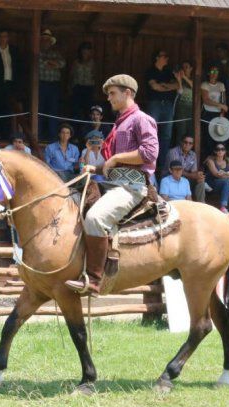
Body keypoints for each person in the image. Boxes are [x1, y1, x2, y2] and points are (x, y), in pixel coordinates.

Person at [65, 74, 158, 294]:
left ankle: (95, 280)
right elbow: (114, 164)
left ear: (128, 93)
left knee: (96, 218)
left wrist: (116, 159)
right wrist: (96, 168)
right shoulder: (120, 122)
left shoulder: (141, 119)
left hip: (132, 188)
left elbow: (150, 152)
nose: (108, 98)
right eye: (108, 94)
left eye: (112, 93)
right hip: (115, 183)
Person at [145, 49, 179, 168]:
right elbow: (155, 87)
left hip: (168, 105)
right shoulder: (150, 71)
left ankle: (163, 163)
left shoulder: (168, 71)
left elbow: (177, 85)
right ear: (157, 57)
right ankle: (150, 159)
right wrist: (168, 87)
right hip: (155, 104)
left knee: (166, 135)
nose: (167, 59)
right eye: (165, 56)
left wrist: (164, 86)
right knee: (151, 132)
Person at [38, 29, 66, 140]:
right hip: (41, 84)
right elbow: (40, 64)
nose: (45, 42)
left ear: (50, 42)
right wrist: (53, 63)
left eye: (47, 40)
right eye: (43, 40)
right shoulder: (38, 52)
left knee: (53, 111)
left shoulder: (56, 53)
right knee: (39, 110)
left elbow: (62, 64)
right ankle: (38, 135)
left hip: (54, 85)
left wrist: (49, 62)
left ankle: (52, 136)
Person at [205, 144, 229, 216]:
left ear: (225, 151)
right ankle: (223, 206)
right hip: (213, 185)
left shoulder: (228, 161)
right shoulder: (210, 160)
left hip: (226, 186)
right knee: (227, 181)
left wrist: (226, 174)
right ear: (215, 151)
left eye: (222, 149)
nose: (220, 151)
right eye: (218, 149)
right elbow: (216, 174)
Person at [165, 135, 206, 202]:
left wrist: (198, 175)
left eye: (190, 143)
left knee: (201, 180)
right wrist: (191, 175)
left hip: (185, 179)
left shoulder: (193, 155)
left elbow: (193, 171)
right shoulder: (173, 152)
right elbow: (175, 170)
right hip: (171, 177)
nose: (187, 144)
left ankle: (201, 204)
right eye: (185, 142)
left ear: (192, 145)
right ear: (181, 142)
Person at [200, 66, 227, 157]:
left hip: (218, 114)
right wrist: (220, 105)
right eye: (212, 71)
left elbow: (224, 100)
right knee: (208, 138)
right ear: (208, 73)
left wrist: (222, 112)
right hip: (208, 112)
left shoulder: (221, 85)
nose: (214, 73)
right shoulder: (205, 84)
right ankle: (208, 158)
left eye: (216, 71)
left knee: (219, 136)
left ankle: (219, 158)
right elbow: (206, 99)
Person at [69, 41, 95, 120]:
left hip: (89, 88)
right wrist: (70, 87)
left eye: (88, 49)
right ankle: (75, 129)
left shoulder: (92, 63)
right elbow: (71, 75)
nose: (85, 51)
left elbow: (95, 76)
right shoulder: (76, 62)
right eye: (84, 49)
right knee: (76, 110)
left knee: (88, 110)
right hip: (77, 87)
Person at [173, 60, 194, 144]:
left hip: (192, 110)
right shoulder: (178, 79)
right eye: (183, 67)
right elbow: (179, 91)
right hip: (181, 109)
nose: (184, 69)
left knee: (191, 132)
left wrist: (184, 77)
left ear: (191, 68)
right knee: (181, 132)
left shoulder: (193, 79)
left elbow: (194, 86)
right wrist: (179, 80)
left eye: (186, 67)